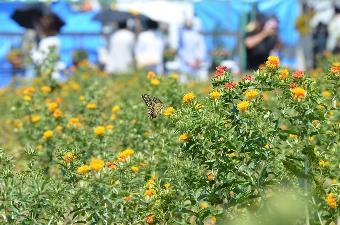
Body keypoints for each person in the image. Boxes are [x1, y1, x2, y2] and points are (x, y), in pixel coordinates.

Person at [30, 13, 64, 80]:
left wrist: (33, 52)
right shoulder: (56, 40)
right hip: (55, 73)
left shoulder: (45, 42)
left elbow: (41, 60)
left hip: (47, 75)